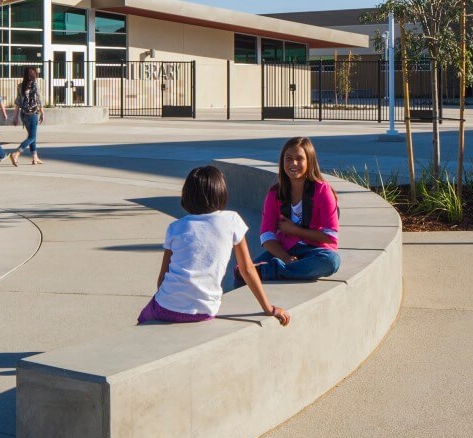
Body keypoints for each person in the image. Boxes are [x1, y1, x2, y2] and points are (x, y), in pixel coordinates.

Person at [139, 165, 290, 326]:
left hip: (167, 307)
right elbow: (247, 269)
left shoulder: (176, 227)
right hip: (206, 310)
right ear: (221, 193)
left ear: (187, 196)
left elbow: (162, 279)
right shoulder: (232, 220)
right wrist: (269, 308)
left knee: (143, 319)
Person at [235, 136, 341, 286]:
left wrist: (295, 230)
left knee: (331, 262)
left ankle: (270, 271)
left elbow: (330, 236)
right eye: (289, 158)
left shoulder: (322, 190)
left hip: (315, 251)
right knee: (241, 276)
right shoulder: (275, 193)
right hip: (283, 250)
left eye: (299, 159)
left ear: (309, 161)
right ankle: (278, 271)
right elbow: (266, 235)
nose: (293, 163)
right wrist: (285, 257)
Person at [14, 66, 44, 165]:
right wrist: (42, 112)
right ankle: (16, 153)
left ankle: (35, 157)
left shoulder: (20, 86)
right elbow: (39, 100)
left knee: (32, 136)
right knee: (32, 137)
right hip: (32, 114)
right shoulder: (35, 85)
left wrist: (15, 116)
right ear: (33, 75)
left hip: (24, 114)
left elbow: (18, 102)